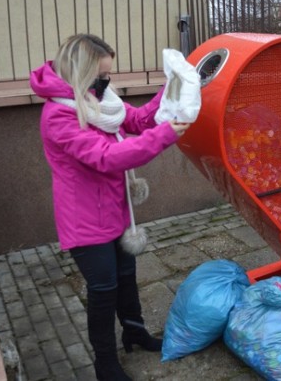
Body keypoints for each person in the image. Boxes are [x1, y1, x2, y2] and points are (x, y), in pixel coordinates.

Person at [30, 34, 190, 380]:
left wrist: (173, 87)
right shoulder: (59, 115)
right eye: (101, 76)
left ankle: (134, 332)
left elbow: (138, 120)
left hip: (116, 210)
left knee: (126, 278)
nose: (107, 82)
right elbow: (105, 157)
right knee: (103, 290)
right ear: (81, 74)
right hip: (84, 220)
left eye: (109, 75)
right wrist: (164, 136)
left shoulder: (101, 100)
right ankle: (105, 362)